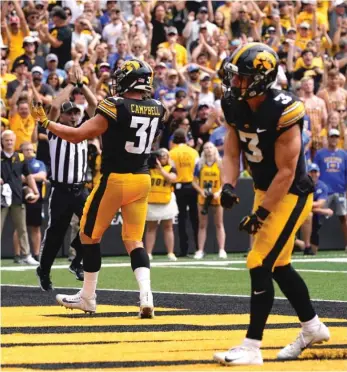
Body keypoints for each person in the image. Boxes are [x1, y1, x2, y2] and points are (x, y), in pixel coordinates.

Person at [213, 43, 330, 366]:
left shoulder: (284, 110)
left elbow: (287, 171)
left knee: (258, 260)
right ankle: (312, 326)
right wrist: (227, 184)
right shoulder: (234, 104)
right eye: (234, 77)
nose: (235, 84)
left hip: (291, 193)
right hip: (265, 189)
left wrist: (260, 214)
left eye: (242, 78)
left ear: (262, 79)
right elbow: (232, 151)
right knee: (278, 265)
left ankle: (252, 346)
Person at [31, 59, 167, 318]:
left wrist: (47, 124)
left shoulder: (115, 106)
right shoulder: (159, 108)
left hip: (116, 179)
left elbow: (77, 134)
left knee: (88, 236)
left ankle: (88, 297)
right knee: (134, 240)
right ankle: (146, 295)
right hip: (142, 179)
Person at [35, 101, 88, 291]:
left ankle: (77, 261)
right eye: (69, 114)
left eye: (75, 113)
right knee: (56, 234)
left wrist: (81, 84)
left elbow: (92, 105)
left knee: (94, 224)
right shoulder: (54, 131)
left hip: (80, 189)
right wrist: (71, 85)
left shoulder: (85, 130)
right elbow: (54, 109)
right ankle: (44, 269)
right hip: (61, 191)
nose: (73, 117)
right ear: (62, 117)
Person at [1, 130, 39, 265]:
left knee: (22, 227)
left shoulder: (21, 157)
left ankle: (26, 255)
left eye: (11, 140)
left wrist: (35, 191)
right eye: (6, 140)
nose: (9, 142)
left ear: (15, 141)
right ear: (2, 141)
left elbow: (28, 176)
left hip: (17, 195)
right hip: (1, 197)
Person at [314, 128, 347, 250]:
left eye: (336, 137)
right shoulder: (320, 153)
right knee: (317, 220)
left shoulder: (344, 154)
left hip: (340, 190)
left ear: (339, 139)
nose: (334, 139)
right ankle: (314, 246)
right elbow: (315, 172)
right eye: (332, 137)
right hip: (324, 192)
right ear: (327, 138)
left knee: (344, 217)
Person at [192, 142, 226, 259]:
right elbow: (194, 181)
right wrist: (201, 191)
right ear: (203, 150)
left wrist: (218, 192)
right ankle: (200, 250)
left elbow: (224, 182)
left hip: (216, 196)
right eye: (206, 147)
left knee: (219, 223)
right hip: (203, 196)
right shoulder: (199, 164)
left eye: (210, 147)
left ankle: (222, 249)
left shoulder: (220, 164)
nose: (208, 149)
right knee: (202, 224)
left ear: (215, 149)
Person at [169, 129, 199, 257]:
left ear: (174, 140)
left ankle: (183, 249)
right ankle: (199, 248)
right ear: (185, 139)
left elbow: (172, 170)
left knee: (181, 218)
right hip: (193, 186)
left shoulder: (172, 153)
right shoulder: (193, 152)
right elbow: (198, 170)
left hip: (179, 187)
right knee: (195, 218)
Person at [145, 148, 178, 261]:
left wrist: (161, 170)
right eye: (159, 157)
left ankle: (170, 252)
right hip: (152, 201)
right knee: (151, 228)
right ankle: (148, 253)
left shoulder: (171, 168)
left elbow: (172, 179)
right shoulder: (149, 169)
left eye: (164, 157)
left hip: (166, 201)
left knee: (168, 227)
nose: (161, 159)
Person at [295, 163, 333, 256]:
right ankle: (304, 245)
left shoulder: (322, 186)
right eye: (311, 172)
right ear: (307, 173)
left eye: (315, 172)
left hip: (314, 218)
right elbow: (298, 204)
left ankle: (306, 246)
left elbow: (320, 203)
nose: (313, 174)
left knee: (314, 250)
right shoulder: (301, 184)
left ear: (319, 173)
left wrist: (310, 207)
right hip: (296, 212)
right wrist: (324, 211)